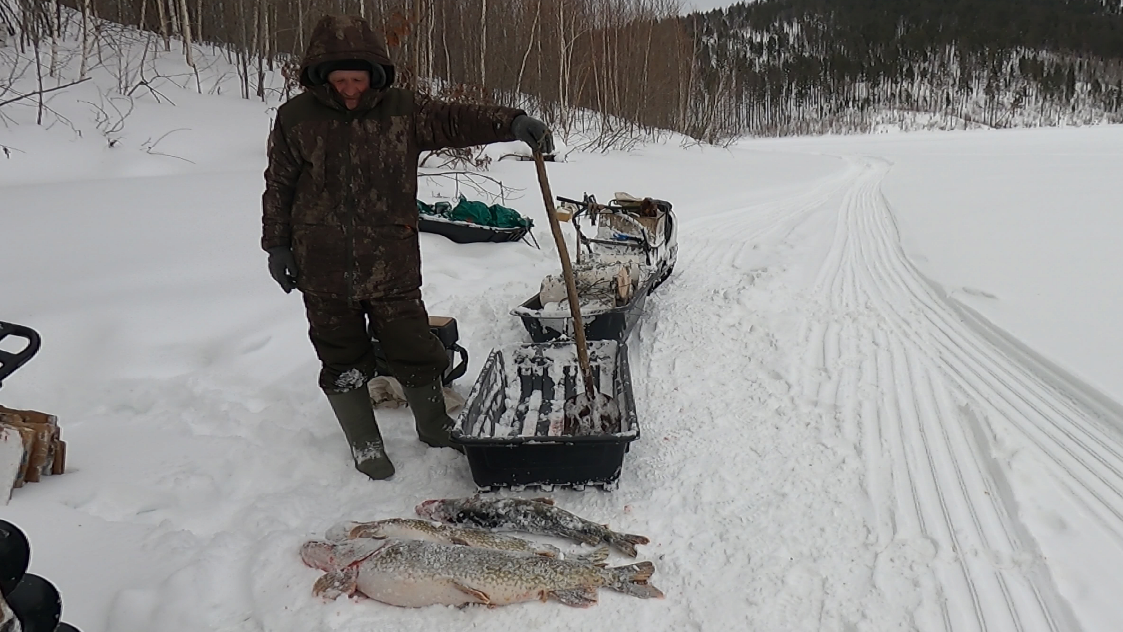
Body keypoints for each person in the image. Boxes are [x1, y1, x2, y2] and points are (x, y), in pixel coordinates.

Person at [261, 14, 552, 481]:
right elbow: (279, 184)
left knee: (414, 345)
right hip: (321, 263)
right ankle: (365, 443)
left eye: (356, 80)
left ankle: (434, 425)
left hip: (391, 260)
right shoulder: (297, 117)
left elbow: (457, 118)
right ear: (322, 77)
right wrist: (277, 245)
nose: (349, 90)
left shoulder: (402, 110)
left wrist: (513, 121)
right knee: (340, 353)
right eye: (339, 81)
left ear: (373, 74)